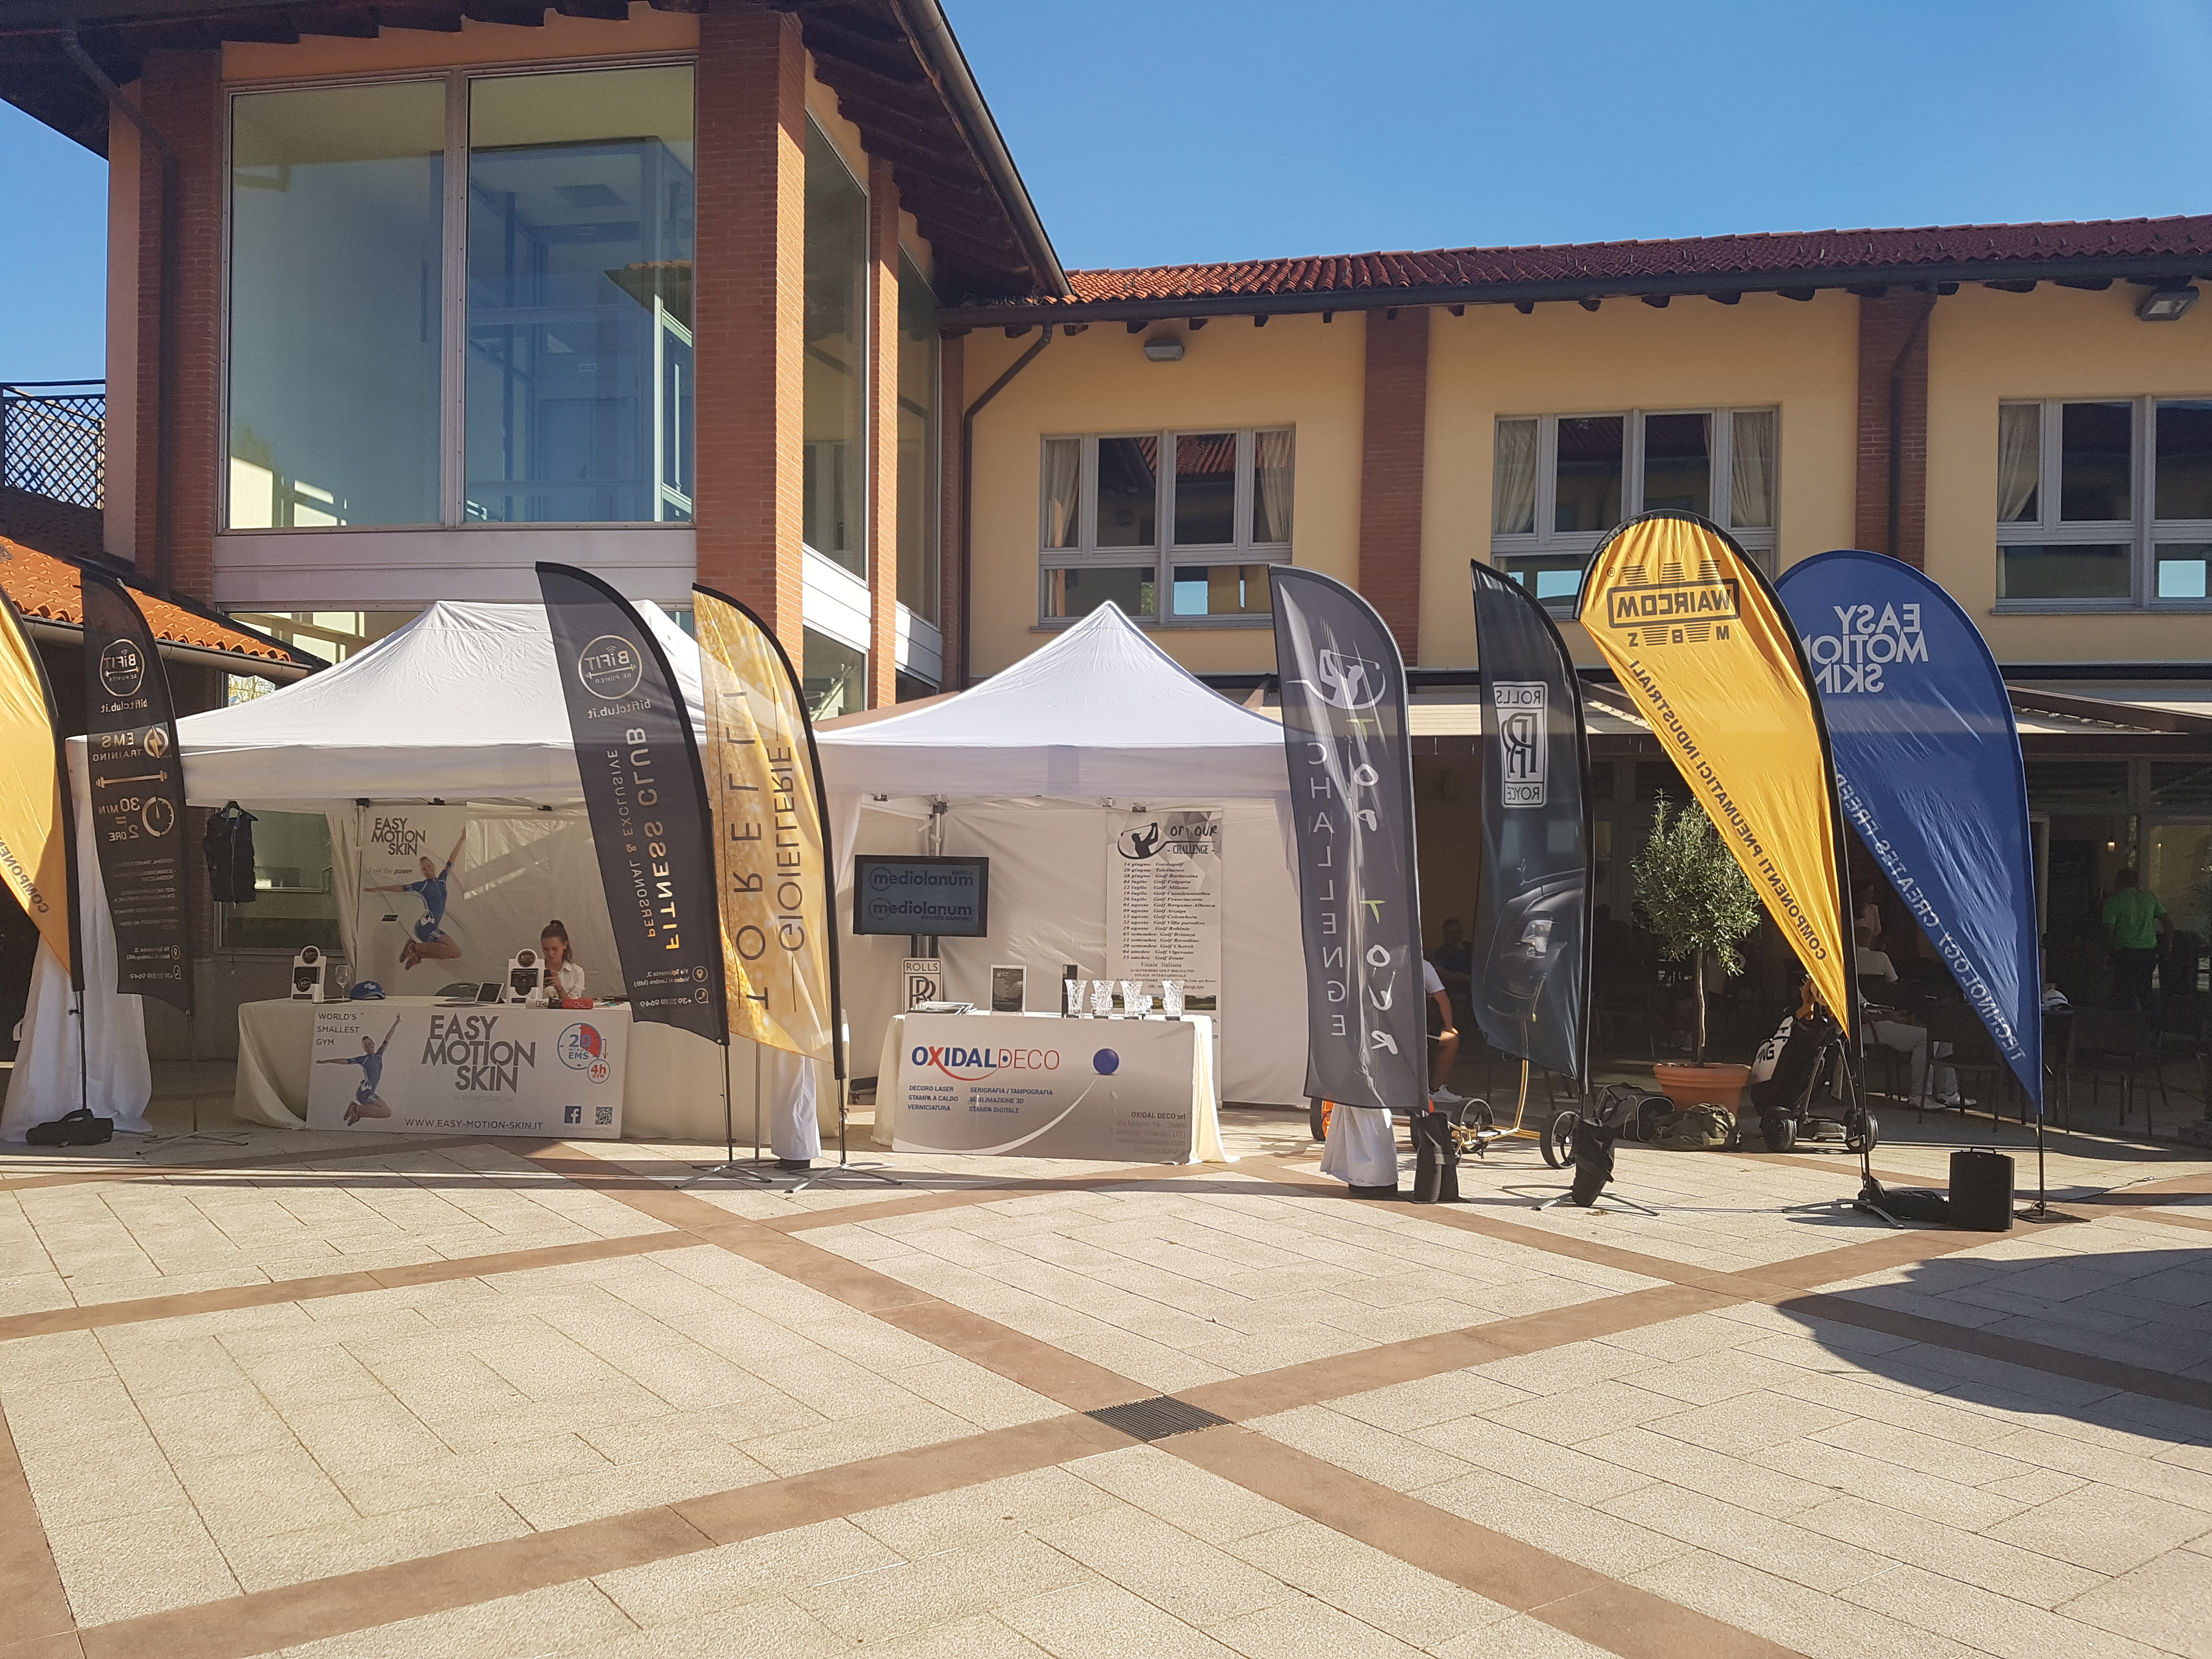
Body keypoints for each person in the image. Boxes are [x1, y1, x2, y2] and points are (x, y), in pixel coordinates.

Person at [369, 831, 467, 970]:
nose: (428, 870)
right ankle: (414, 947)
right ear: (422, 872)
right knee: (455, 950)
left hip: (432, 927)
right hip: (425, 928)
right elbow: (400, 888)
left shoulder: (442, 880)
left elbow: (451, 860)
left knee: (455, 954)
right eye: (424, 869)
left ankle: (420, 954)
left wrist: (462, 839)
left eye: (429, 866)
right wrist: (378, 888)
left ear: (434, 866)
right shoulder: (423, 886)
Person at [2103, 869, 2170, 1013]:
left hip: (2125, 953)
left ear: (2119, 883)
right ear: (2137, 883)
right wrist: (2167, 946)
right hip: (2148, 953)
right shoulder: (2150, 899)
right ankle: (2151, 1021)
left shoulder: (2113, 902)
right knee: (2145, 989)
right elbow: (2168, 924)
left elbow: (2108, 933)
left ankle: (2123, 1021)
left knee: (2122, 993)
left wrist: (2110, 955)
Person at [318, 1015, 400, 1126]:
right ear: (364, 1048)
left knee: (385, 1112)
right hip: (364, 1093)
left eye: (370, 1044)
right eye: (366, 1046)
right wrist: (328, 1061)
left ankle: (356, 1110)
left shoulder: (379, 1055)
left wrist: (396, 1023)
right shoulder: (364, 1059)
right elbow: (345, 1061)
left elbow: (387, 1039)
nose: (369, 1047)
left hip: (369, 1093)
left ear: (373, 1043)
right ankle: (356, 1110)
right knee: (386, 1112)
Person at [1424, 957, 1463, 1104]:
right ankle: (1434, 1090)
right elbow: (1443, 999)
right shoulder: (1421, 965)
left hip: (1379, 1029)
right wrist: (1449, 1028)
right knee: (1452, 1041)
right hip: (1409, 1032)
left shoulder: (1379, 962)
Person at [540, 919, 586, 1002]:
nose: (550, 954)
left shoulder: (577, 972)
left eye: (555, 949)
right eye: (546, 949)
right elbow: (524, 1002)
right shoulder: (534, 970)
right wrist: (538, 987)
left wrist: (560, 989)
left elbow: (573, 1005)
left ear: (565, 945)